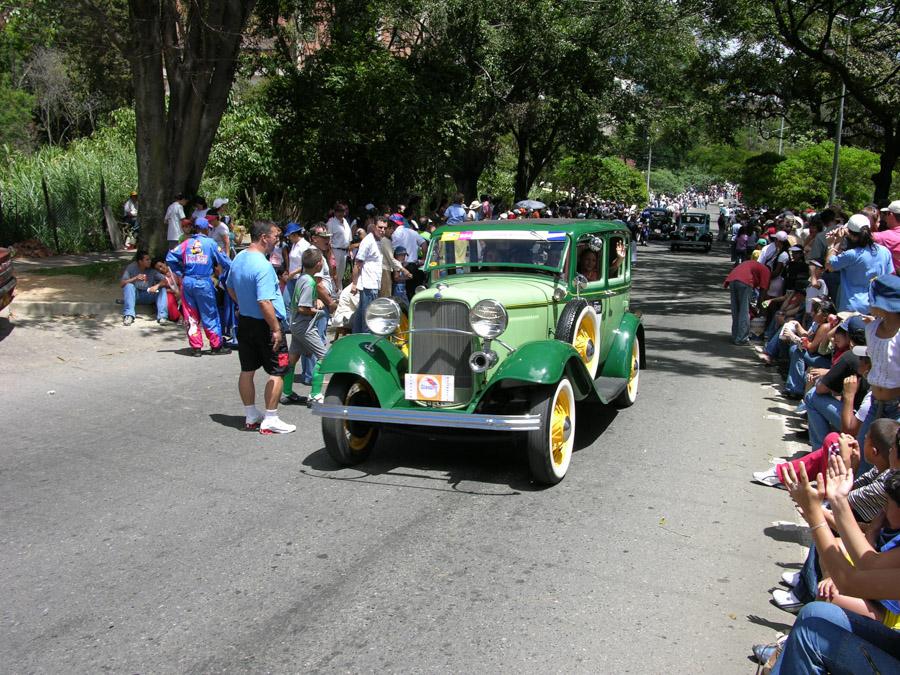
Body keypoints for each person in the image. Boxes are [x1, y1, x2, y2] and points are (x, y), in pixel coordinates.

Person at [226, 221, 296, 434]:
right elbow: (264, 302)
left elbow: (229, 287)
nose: (278, 239)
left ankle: (251, 414)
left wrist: (242, 305)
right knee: (278, 370)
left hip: (246, 322)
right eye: (275, 235)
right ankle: (271, 418)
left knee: (247, 369)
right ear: (264, 237)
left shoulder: (238, 258)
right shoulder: (263, 266)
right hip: (266, 325)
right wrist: (275, 329)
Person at [166, 217, 232, 356]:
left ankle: (196, 347)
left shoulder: (186, 244)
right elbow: (225, 261)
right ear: (205, 229)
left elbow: (170, 257)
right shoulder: (211, 243)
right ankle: (216, 346)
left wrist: (180, 272)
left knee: (190, 315)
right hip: (204, 283)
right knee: (210, 313)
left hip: (188, 282)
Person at [281, 248, 330, 404]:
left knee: (292, 358)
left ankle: (287, 392)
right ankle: (315, 395)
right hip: (305, 327)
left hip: (296, 325)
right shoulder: (309, 282)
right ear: (318, 264)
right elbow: (303, 307)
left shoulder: (302, 278)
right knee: (324, 356)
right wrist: (318, 311)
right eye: (322, 260)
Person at [826, 213, 893, 312]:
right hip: (876, 306)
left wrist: (834, 244)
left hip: (852, 307)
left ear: (851, 234)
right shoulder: (885, 251)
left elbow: (829, 265)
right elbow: (889, 275)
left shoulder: (851, 255)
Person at [350, 217, 386, 333]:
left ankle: (356, 340)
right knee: (368, 318)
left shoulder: (380, 241)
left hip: (375, 283)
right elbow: (358, 264)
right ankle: (366, 342)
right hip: (368, 285)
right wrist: (354, 284)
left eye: (384, 228)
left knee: (362, 315)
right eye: (380, 227)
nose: (382, 230)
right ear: (374, 227)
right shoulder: (368, 241)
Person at [724, 259, 771, 345]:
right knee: (744, 311)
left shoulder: (755, 265)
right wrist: (760, 310)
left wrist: (753, 307)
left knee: (736, 310)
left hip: (733, 279)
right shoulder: (767, 271)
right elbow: (762, 295)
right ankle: (742, 339)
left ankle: (735, 336)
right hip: (745, 281)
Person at [120, 250, 168, 326]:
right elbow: (122, 284)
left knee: (162, 289)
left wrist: (156, 286)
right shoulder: (131, 267)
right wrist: (135, 278)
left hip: (148, 294)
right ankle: (129, 315)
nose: (149, 261)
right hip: (136, 296)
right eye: (147, 260)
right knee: (129, 286)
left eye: (150, 259)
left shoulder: (152, 270)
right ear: (140, 261)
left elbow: (165, 281)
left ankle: (162, 316)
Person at [326, 203, 352, 293]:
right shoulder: (331, 223)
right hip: (335, 250)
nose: (341, 214)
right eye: (338, 211)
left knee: (340, 275)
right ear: (335, 212)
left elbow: (348, 238)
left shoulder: (345, 222)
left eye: (342, 211)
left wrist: (350, 251)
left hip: (344, 251)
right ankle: (333, 293)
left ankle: (339, 293)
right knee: (334, 274)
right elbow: (328, 240)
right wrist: (330, 254)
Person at [152, 257, 182, 322]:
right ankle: (177, 316)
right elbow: (161, 289)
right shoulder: (159, 276)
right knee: (168, 298)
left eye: (161, 266)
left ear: (164, 263)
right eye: (158, 269)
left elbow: (182, 281)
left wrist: (180, 292)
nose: (161, 269)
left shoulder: (174, 270)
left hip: (183, 292)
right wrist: (173, 292)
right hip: (172, 295)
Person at [874, 199, 900, 273]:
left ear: (891, 214)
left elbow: (861, 235)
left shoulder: (886, 236)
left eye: (886, 213)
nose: (884, 216)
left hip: (892, 282)